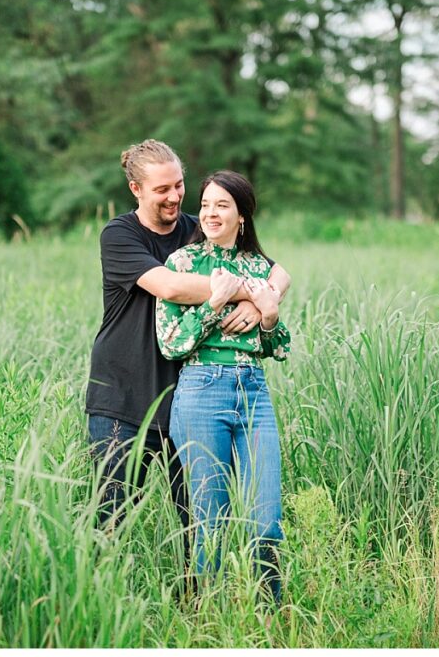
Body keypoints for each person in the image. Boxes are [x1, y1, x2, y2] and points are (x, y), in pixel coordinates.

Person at [85, 141, 291, 554]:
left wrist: (263, 297)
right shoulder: (120, 234)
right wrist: (246, 296)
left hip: (187, 397)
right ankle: (102, 604)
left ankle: (197, 609)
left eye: (179, 185)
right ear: (136, 189)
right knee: (111, 520)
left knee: (196, 521)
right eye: (162, 189)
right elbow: (171, 286)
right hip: (123, 397)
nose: (175, 196)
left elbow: (276, 269)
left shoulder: (197, 227)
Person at [156, 170, 290, 604]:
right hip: (201, 390)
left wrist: (267, 316)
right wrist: (215, 304)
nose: (211, 213)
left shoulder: (260, 269)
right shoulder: (183, 263)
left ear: (242, 216)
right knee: (210, 518)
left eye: (222, 205)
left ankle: (271, 616)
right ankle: (206, 618)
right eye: (207, 204)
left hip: (253, 391)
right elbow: (172, 343)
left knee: (266, 518)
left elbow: (277, 346)